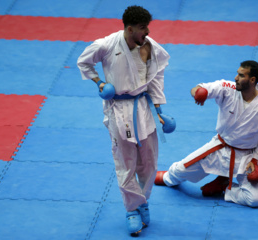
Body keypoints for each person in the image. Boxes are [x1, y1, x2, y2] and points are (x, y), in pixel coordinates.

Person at [77, 5, 170, 236]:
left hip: (143, 108)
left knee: (148, 162)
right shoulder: (106, 45)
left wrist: (159, 109)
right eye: (142, 28)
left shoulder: (150, 46)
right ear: (129, 29)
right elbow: (83, 62)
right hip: (118, 110)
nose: (147, 31)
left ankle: (142, 201)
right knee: (125, 164)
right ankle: (132, 210)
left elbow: (157, 75)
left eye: (147, 26)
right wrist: (99, 82)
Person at [155, 60, 258, 208]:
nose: (236, 77)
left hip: (245, 157)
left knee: (254, 200)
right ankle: (168, 177)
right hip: (219, 148)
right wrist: (199, 93)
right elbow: (200, 87)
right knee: (179, 171)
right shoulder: (228, 88)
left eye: (241, 75)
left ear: (252, 80)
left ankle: (225, 188)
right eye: (237, 73)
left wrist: (256, 159)